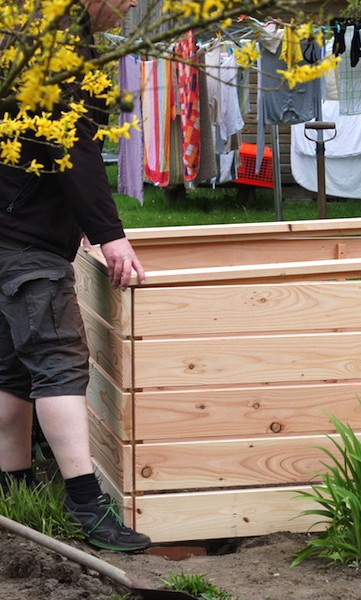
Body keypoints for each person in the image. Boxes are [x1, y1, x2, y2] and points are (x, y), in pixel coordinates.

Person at [0, 0, 151, 550]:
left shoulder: (27, 33)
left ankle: (14, 489)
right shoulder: (58, 48)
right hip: (25, 238)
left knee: (13, 366)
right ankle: (85, 504)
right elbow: (73, 148)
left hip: (10, 225)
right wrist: (109, 232)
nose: (133, 4)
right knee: (59, 362)